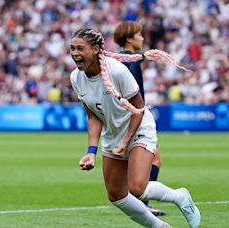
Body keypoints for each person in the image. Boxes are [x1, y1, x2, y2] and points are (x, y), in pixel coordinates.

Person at [69, 28, 200, 228]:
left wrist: (125, 141)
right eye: (72, 49)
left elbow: (139, 108)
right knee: (116, 196)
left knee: (137, 188)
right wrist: (91, 152)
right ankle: (159, 227)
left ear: (95, 49)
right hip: (113, 134)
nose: (75, 53)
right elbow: (93, 116)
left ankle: (180, 197)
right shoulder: (75, 78)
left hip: (138, 128)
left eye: (80, 48)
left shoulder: (118, 71)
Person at [113, 21, 165, 216]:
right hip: (135, 116)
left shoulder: (120, 59)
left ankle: (140, 202)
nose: (142, 38)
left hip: (124, 116)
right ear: (129, 39)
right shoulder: (130, 61)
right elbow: (133, 95)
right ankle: (142, 203)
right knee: (154, 159)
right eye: (139, 35)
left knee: (135, 161)